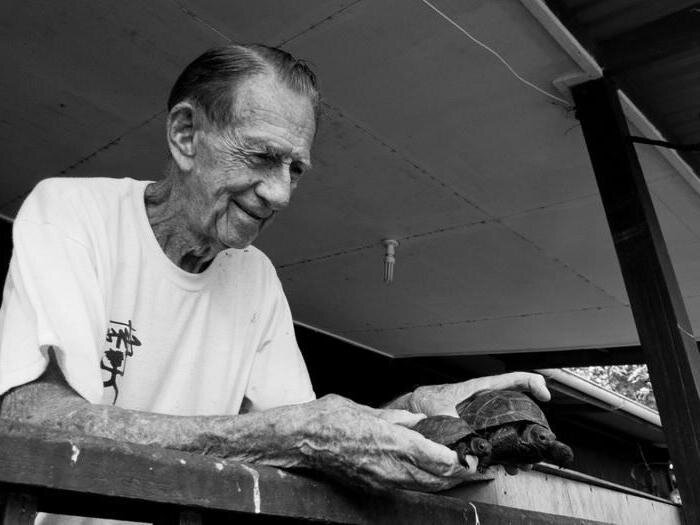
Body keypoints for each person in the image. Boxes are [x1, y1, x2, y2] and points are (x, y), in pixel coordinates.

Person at [0, 44, 550, 500]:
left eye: (296, 168)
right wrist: (294, 435)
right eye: (262, 156)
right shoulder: (72, 213)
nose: (281, 193)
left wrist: (417, 411)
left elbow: (308, 435)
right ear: (186, 135)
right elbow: (28, 416)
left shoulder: (256, 277)